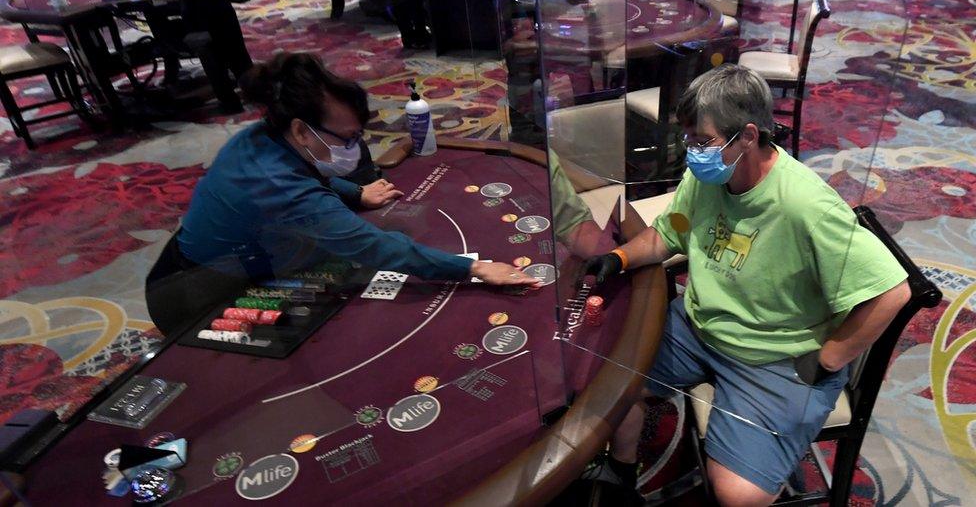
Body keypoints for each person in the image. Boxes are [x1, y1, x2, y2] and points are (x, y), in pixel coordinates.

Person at [581, 64, 911, 505]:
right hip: (700, 325)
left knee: (740, 496)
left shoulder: (806, 206)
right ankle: (622, 474)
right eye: (690, 139)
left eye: (703, 141)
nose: (692, 153)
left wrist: (830, 359)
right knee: (607, 384)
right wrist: (618, 257)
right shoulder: (707, 179)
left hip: (774, 355)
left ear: (749, 136)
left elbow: (893, 291)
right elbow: (670, 231)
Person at [176, 52, 539, 288]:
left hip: (224, 249)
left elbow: (308, 170)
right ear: (302, 129)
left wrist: (355, 192)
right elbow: (373, 247)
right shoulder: (279, 184)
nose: (355, 147)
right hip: (206, 281)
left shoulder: (272, 133)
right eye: (347, 137)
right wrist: (472, 268)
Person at [163, 0, 253, 113]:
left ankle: (230, 102)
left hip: (194, 2)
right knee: (236, 50)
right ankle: (257, 92)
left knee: (210, 56)